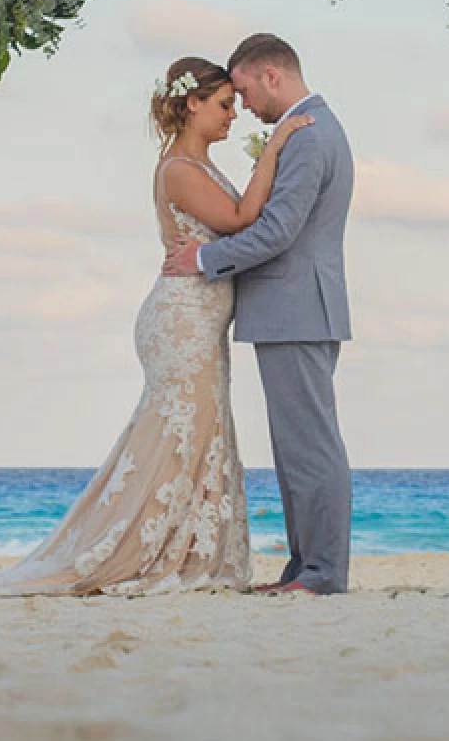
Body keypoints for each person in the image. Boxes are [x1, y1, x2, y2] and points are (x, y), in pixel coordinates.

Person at [0, 55, 311, 599]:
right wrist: (276, 148)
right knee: (177, 439)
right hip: (182, 322)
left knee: (200, 436)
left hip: (201, 323)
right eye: (224, 105)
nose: (233, 116)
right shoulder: (178, 169)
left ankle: (189, 552)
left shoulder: (199, 166)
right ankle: (138, 552)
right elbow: (244, 218)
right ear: (191, 104)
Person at [163, 33, 355, 596]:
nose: (243, 105)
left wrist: (203, 257)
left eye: (243, 90)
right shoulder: (305, 132)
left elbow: (276, 232)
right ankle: (305, 569)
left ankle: (320, 574)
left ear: (271, 75)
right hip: (295, 310)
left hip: (297, 310)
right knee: (297, 448)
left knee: (310, 446)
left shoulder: (309, 137)